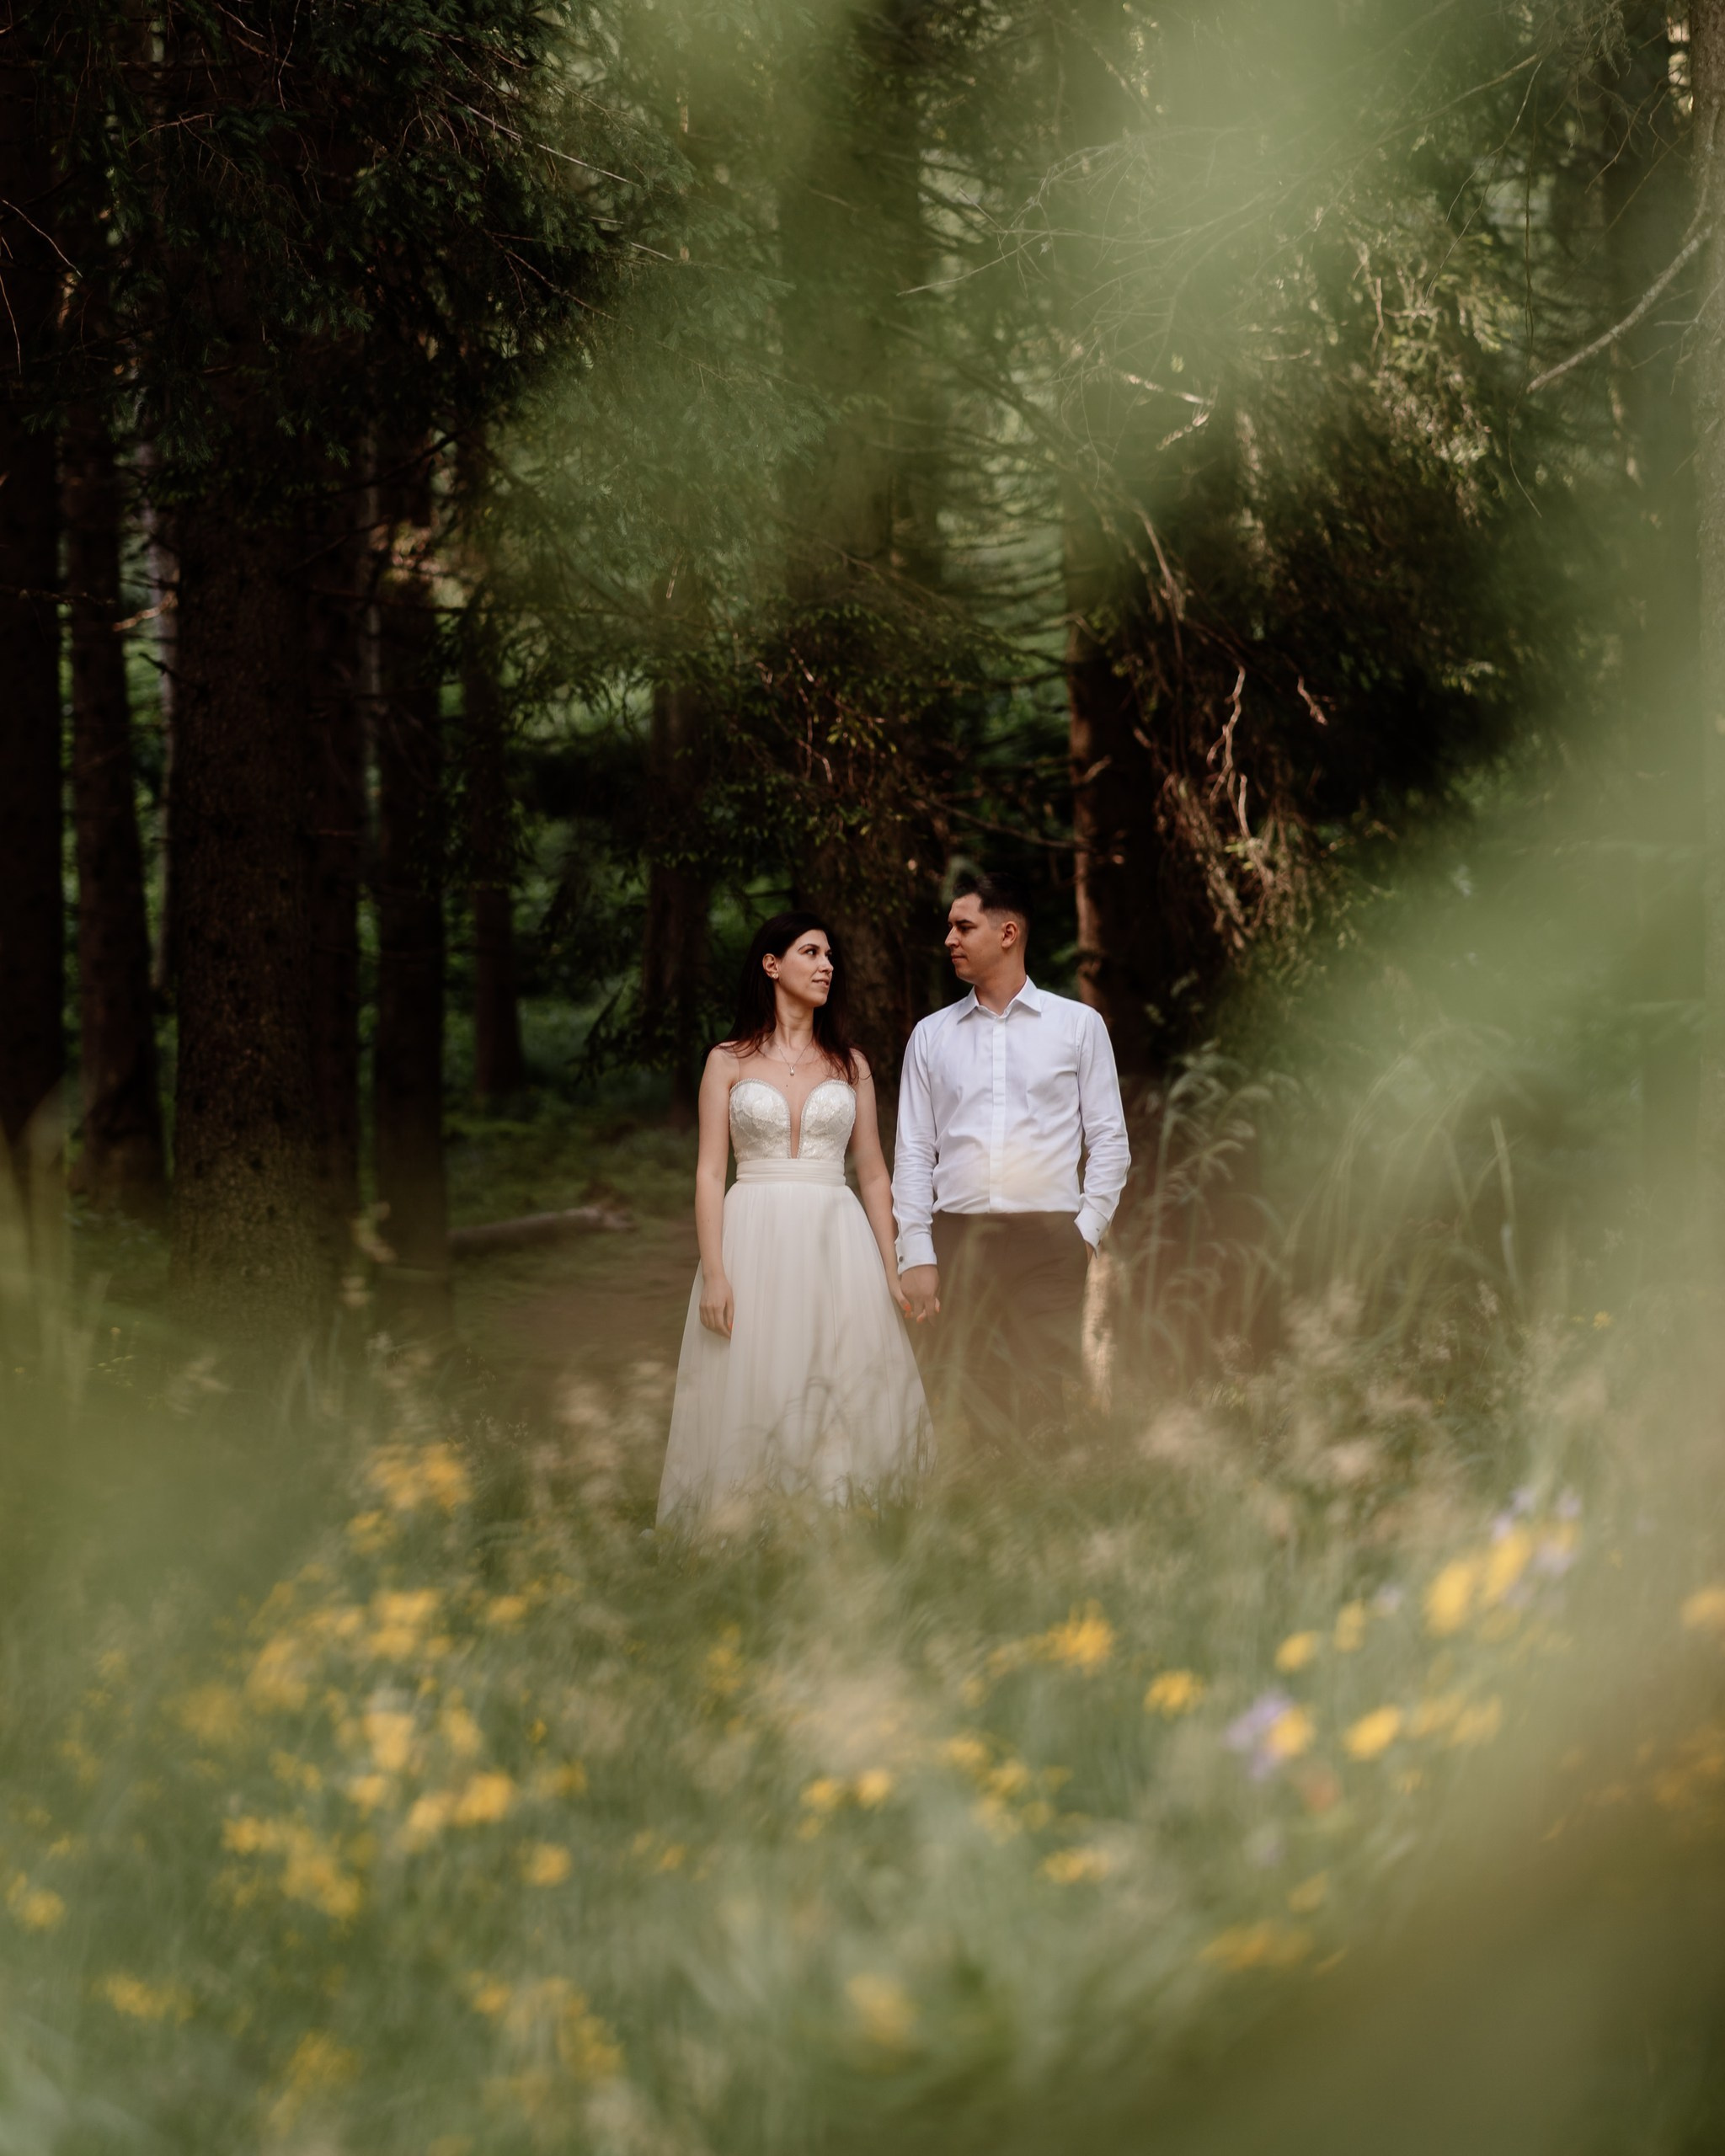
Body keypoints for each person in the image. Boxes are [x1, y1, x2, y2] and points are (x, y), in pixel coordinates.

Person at [657, 912, 932, 1526]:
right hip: (751, 1231)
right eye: (811, 952)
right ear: (771, 964)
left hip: (837, 1236)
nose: (827, 965)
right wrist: (715, 1272)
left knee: (840, 1366)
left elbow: (874, 1174)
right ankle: (747, 1520)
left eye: (830, 956)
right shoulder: (726, 1062)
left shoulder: (850, 1065)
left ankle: (842, 1519)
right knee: (755, 1368)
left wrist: (893, 1268)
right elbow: (708, 1174)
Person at [892, 870, 1130, 1439]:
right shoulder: (931, 1035)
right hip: (955, 1240)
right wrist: (917, 1252)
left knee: (1048, 1395)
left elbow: (1110, 1141)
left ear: (1007, 933)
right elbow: (913, 1151)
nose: (949, 938)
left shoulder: (1079, 1027)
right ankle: (968, 1513)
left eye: (963, 926)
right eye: (949, 927)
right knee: (958, 1391)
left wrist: (1086, 1230)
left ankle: (1048, 1510)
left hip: (1051, 1243)